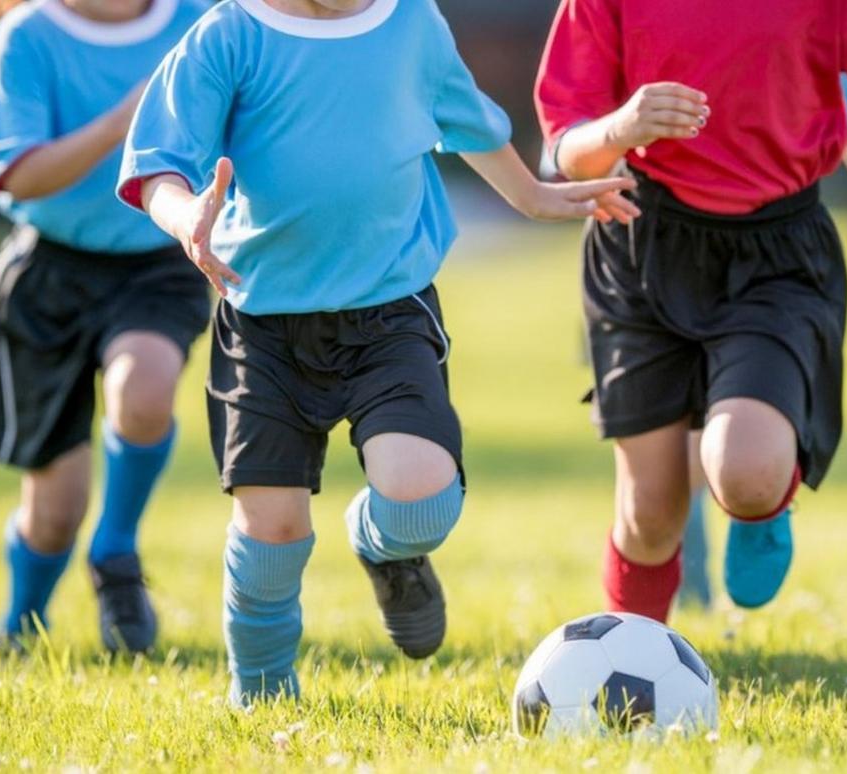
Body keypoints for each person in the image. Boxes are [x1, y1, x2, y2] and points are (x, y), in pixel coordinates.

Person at [118, 0, 635, 705]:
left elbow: (464, 119)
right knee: (272, 529)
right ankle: (264, 685)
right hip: (263, 322)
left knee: (421, 499)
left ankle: (383, 546)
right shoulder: (228, 35)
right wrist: (185, 220)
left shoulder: (410, 23)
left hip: (389, 309)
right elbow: (159, 163)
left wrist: (534, 196)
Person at [536, 0, 847, 623]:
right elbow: (569, 148)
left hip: (775, 256)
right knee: (651, 513)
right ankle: (633, 657)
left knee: (745, 472)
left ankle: (765, 500)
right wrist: (621, 128)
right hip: (642, 244)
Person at [0, 0, 213, 652]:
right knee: (54, 514)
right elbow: (18, 176)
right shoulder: (28, 37)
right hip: (49, 275)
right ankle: (20, 625)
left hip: (157, 265)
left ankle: (116, 554)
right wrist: (121, 122)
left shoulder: (199, 20)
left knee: (145, 387)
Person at [675, 76, 847, 611]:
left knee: (728, 418)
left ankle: (757, 500)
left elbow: (843, 81)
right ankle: (687, 592)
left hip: (762, 241)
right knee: (665, 432)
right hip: (648, 238)